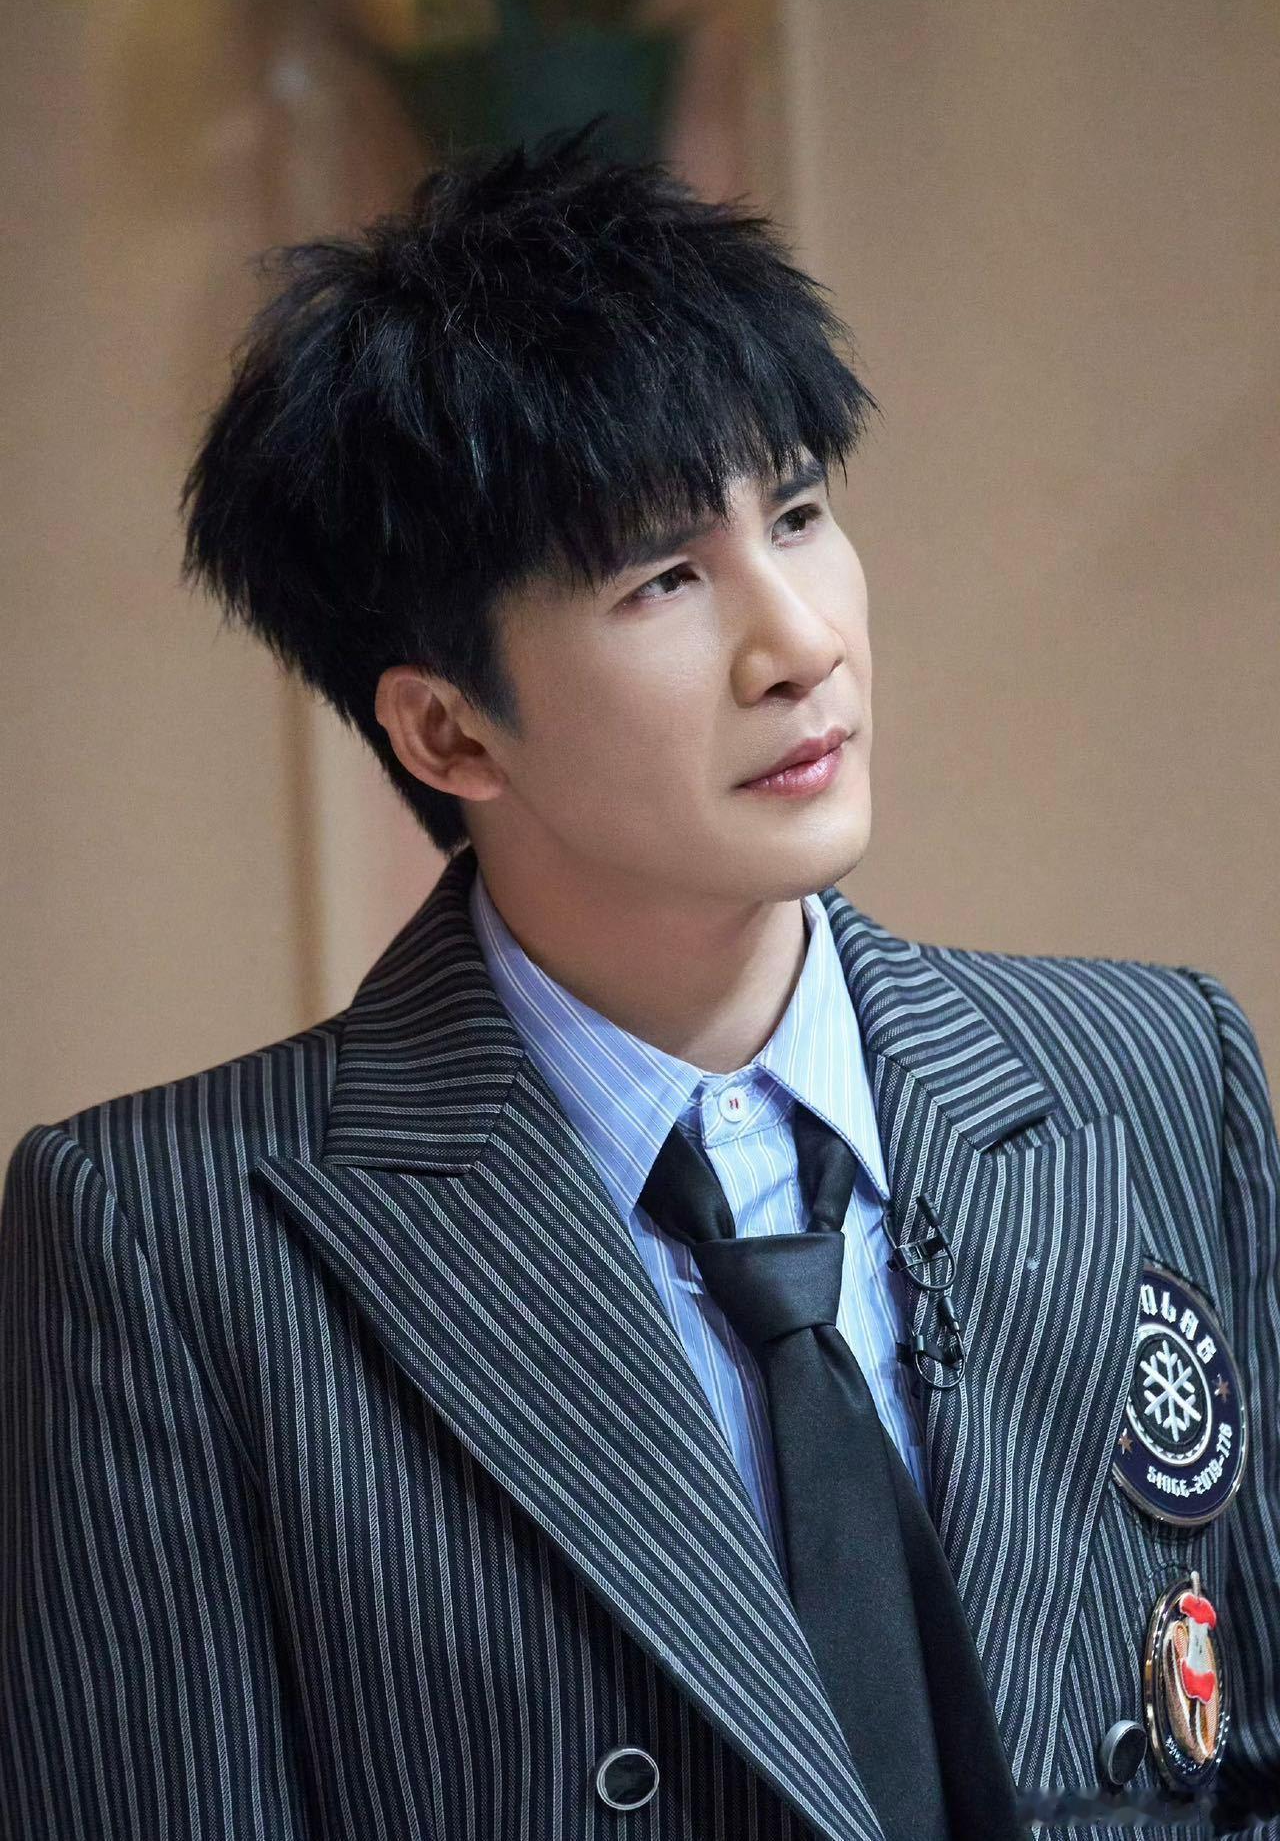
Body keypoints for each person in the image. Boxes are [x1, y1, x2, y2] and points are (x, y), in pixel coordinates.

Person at [2, 117, 1277, 1841]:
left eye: (801, 513)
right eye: (664, 575)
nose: (802, 642)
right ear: (449, 729)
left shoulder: (1156, 1077)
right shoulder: (171, 1240)